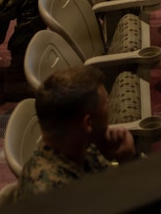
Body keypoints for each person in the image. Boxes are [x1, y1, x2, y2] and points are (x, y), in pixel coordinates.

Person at [17, 66, 136, 198]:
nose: (109, 105)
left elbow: (115, 191)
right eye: (106, 102)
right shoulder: (52, 193)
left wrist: (126, 159)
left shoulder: (80, 148)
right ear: (88, 122)